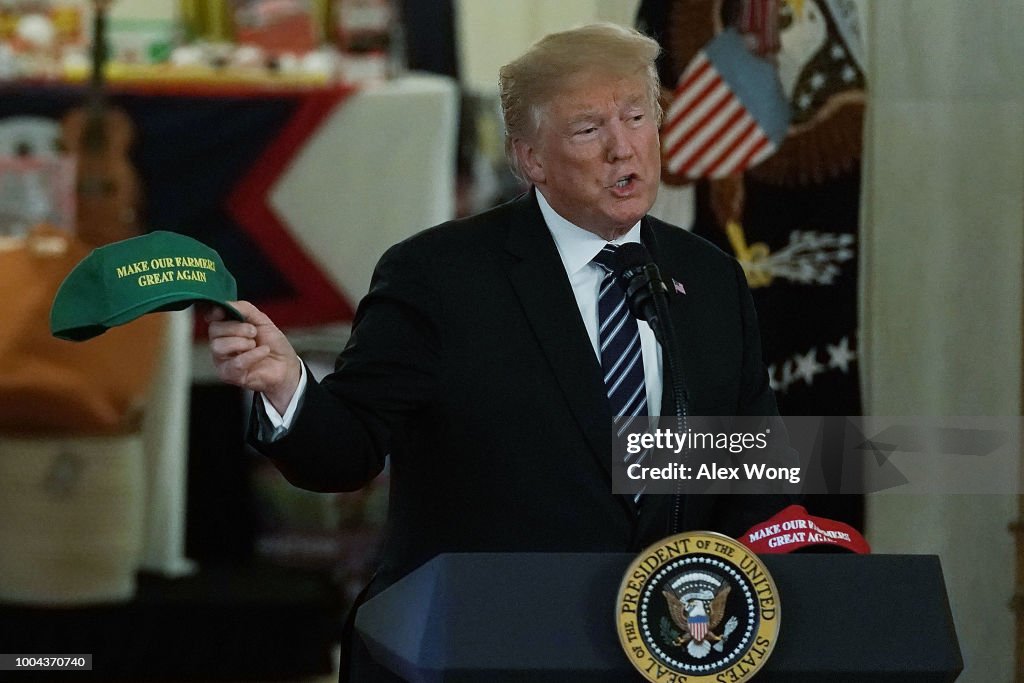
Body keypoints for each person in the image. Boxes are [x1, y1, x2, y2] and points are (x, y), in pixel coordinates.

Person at [208, 22, 788, 682]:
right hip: (475, 652)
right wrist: (289, 389)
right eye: (589, 129)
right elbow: (347, 446)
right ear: (531, 158)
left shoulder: (708, 279)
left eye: (636, 117)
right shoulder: (441, 275)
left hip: (658, 655)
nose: (624, 147)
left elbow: (746, 472)